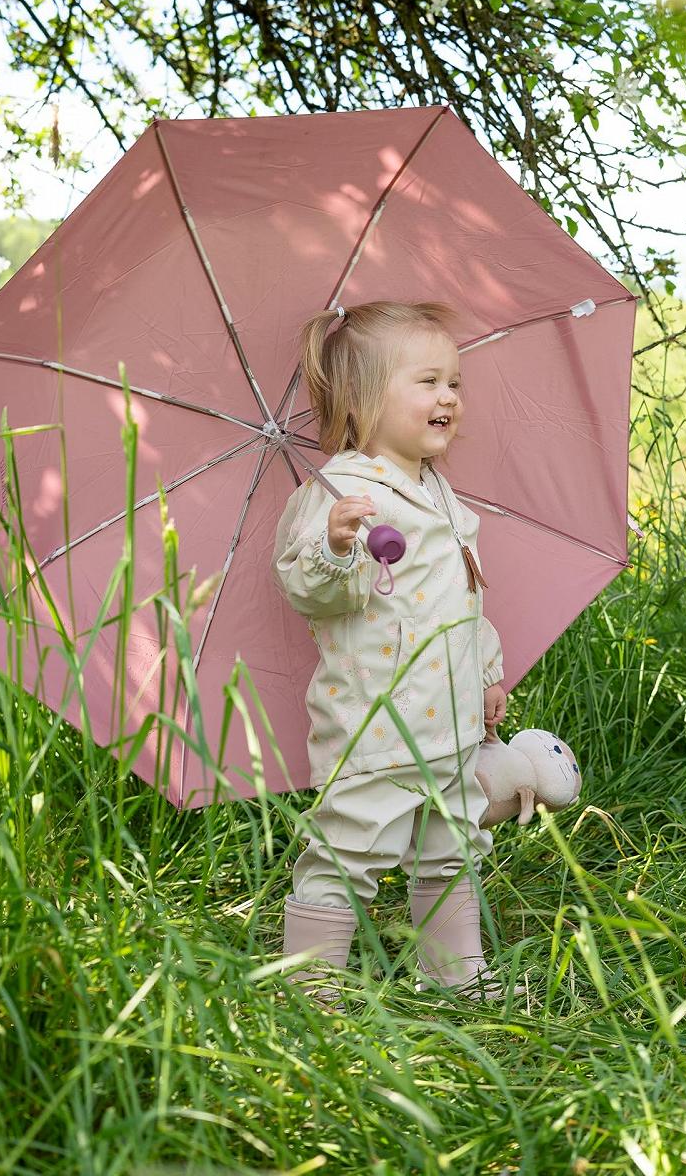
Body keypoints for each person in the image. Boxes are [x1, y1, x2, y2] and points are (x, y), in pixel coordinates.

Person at [272, 299, 513, 1003]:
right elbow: (312, 592)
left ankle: (453, 972)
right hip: (375, 726)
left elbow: (463, 595)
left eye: (454, 383)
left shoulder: (437, 490)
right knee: (348, 846)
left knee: (453, 844)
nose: (449, 397)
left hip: (451, 724)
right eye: (428, 382)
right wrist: (336, 546)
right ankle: (310, 986)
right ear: (363, 400)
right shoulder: (343, 492)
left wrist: (486, 671)